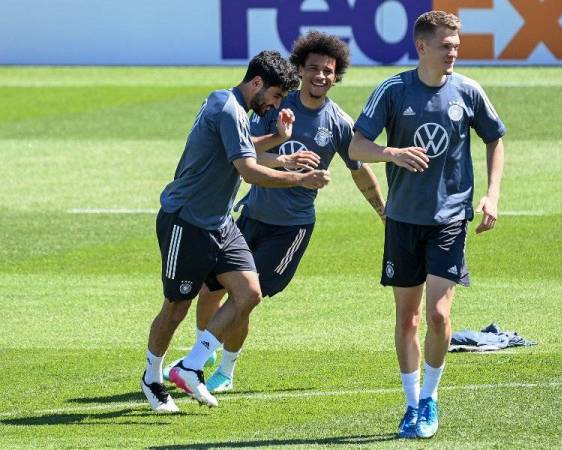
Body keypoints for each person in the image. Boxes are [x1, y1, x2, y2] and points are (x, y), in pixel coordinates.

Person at [165, 31, 385, 394]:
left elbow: (360, 172)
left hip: (289, 231)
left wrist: (383, 212)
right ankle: (199, 361)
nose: (321, 76)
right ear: (300, 69)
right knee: (209, 293)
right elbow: (244, 152)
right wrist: (287, 161)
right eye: (313, 68)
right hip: (249, 217)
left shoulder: (339, 124)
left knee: (243, 298)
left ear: (336, 75)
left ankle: (220, 370)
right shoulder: (276, 107)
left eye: (328, 71)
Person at [141, 50, 330, 413]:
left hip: (219, 223)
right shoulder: (228, 108)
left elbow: (242, 147)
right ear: (257, 83)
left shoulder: (232, 107)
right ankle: (152, 376)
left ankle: (192, 365)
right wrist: (301, 178)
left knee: (249, 292)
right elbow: (248, 170)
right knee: (177, 307)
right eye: (275, 96)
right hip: (187, 220)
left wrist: (278, 139)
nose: (275, 104)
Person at [349, 11, 506, 439]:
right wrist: (390, 153)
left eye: (456, 45)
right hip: (402, 220)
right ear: (422, 47)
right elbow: (356, 143)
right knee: (408, 319)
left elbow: (494, 137)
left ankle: (431, 399)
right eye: (445, 46)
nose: (453, 52)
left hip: (450, 219)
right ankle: (411, 402)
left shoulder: (468, 91)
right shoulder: (393, 90)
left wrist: (491, 194)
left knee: (438, 315)